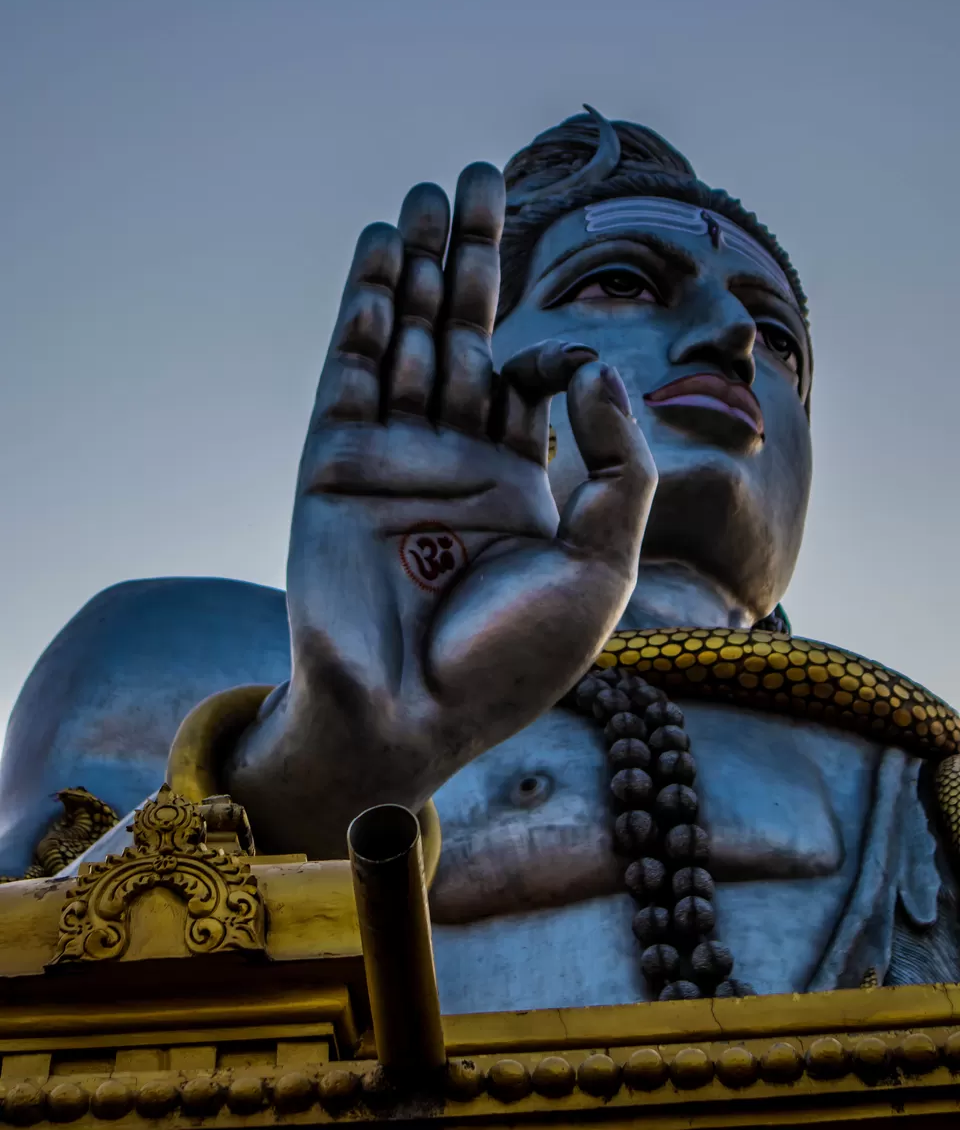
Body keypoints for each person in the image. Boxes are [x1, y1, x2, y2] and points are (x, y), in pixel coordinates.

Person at [2, 109, 957, 1011]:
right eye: (621, 281)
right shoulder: (177, 657)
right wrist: (313, 776)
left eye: (782, 339)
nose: (737, 341)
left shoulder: (916, 774)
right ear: (460, 351)